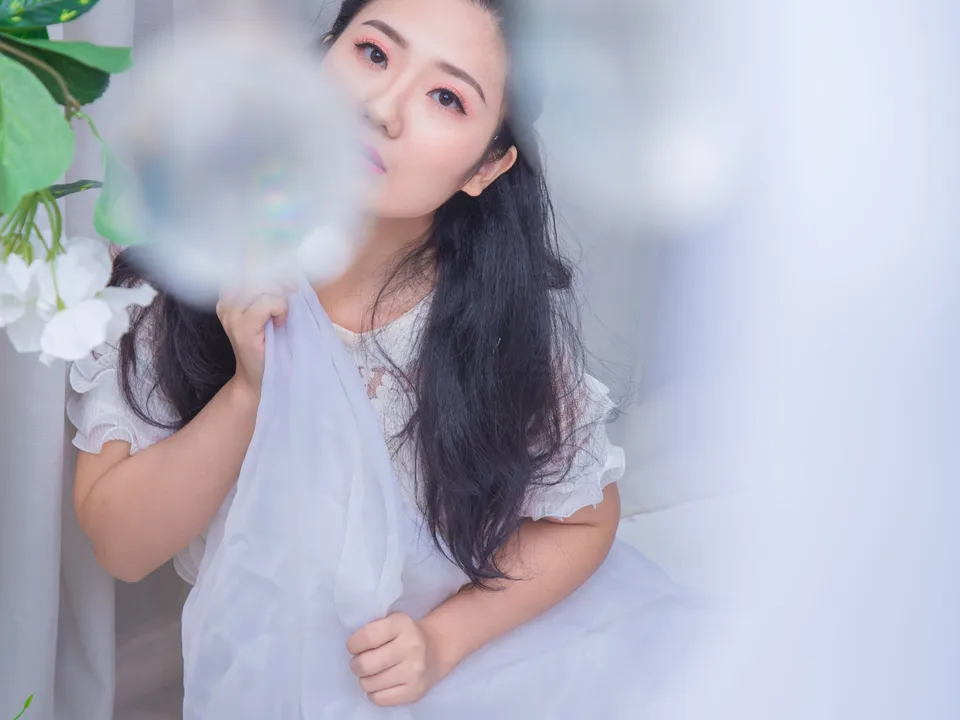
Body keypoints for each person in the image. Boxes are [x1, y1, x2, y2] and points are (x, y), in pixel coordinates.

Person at [68, 0, 707, 716]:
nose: (382, 109)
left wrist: (445, 640)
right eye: (374, 54)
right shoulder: (194, 253)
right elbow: (121, 545)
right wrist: (247, 392)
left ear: (487, 166)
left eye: (446, 97)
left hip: (476, 670)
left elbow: (585, 522)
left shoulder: (486, 329)